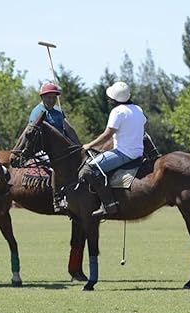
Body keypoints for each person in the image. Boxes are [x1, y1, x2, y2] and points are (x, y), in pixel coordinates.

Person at [80, 81, 147, 218]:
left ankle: (108, 205)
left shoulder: (117, 111)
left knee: (87, 170)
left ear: (114, 99)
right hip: (138, 153)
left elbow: (108, 134)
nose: (109, 100)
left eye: (111, 98)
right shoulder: (138, 109)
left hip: (123, 153)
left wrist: (90, 145)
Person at [28, 82, 80, 213]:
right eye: (48, 97)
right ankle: (56, 198)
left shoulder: (58, 111)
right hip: (43, 148)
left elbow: (68, 128)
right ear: (42, 97)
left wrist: (78, 145)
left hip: (61, 149)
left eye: (53, 97)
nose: (51, 100)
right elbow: (33, 134)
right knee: (56, 165)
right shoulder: (37, 112)